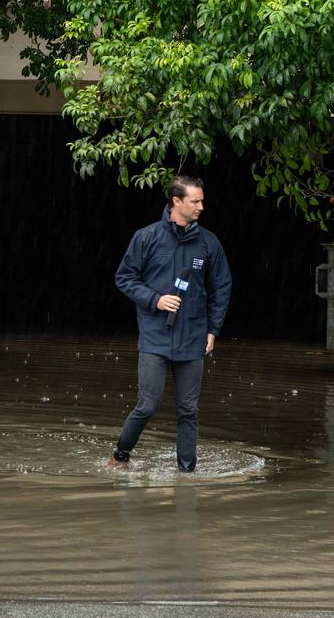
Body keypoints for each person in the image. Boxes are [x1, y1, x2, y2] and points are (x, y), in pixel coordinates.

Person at [109, 176, 232, 472]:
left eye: (202, 201)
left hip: (193, 338)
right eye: (195, 201)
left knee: (188, 410)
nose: (201, 206)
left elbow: (222, 287)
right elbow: (124, 278)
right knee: (148, 405)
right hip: (155, 337)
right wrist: (155, 300)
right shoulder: (147, 237)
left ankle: (186, 473)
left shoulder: (209, 242)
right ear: (176, 201)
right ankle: (120, 455)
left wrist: (213, 330)